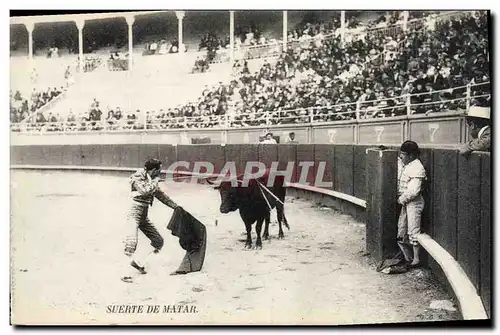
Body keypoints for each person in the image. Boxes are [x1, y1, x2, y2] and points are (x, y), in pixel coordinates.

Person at [122, 158, 180, 283]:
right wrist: (155, 182)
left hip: (143, 215)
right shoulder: (138, 176)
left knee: (158, 241)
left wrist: (176, 207)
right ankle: (125, 273)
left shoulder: (152, 180)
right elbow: (144, 190)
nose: (160, 172)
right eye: (159, 170)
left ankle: (139, 263)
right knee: (131, 242)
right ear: (153, 170)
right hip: (133, 213)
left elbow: (161, 196)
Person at [396, 141, 427, 268]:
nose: (401, 157)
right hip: (407, 202)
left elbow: (413, 191)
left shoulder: (417, 167)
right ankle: (408, 257)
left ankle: (416, 259)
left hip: (414, 202)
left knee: (413, 230)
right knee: (402, 229)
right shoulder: (408, 164)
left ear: (411, 155)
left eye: (403, 154)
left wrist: (401, 199)